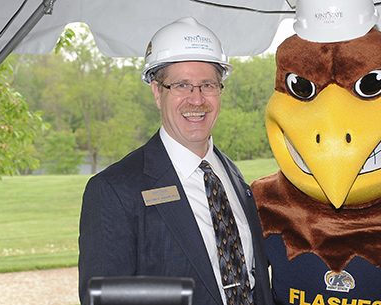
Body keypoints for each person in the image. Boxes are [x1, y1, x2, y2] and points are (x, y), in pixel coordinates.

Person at [78, 17, 272, 305]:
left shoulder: (231, 176)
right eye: (181, 85)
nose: (197, 100)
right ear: (157, 93)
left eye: (207, 85)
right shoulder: (114, 190)